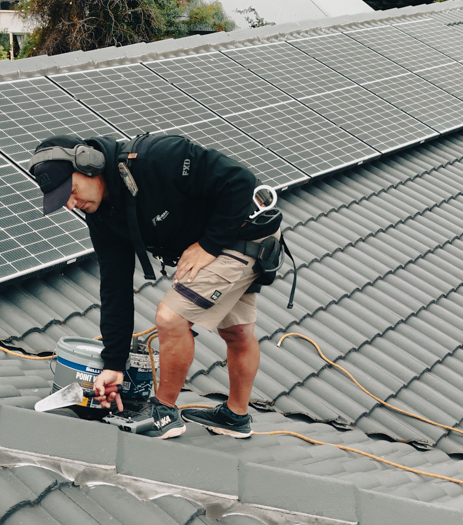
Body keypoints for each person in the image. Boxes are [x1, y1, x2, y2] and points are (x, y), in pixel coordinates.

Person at [30, 133, 280, 440]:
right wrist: (113, 366)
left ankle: (164, 411)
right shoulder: (103, 218)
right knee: (237, 331)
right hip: (222, 242)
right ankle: (236, 416)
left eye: (70, 191)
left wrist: (208, 245)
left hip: (242, 232)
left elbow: (241, 182)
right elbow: (114, 291)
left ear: (89, 165)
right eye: (61, 201)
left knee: (170, 316)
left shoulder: (158, 158)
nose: (71, 205)